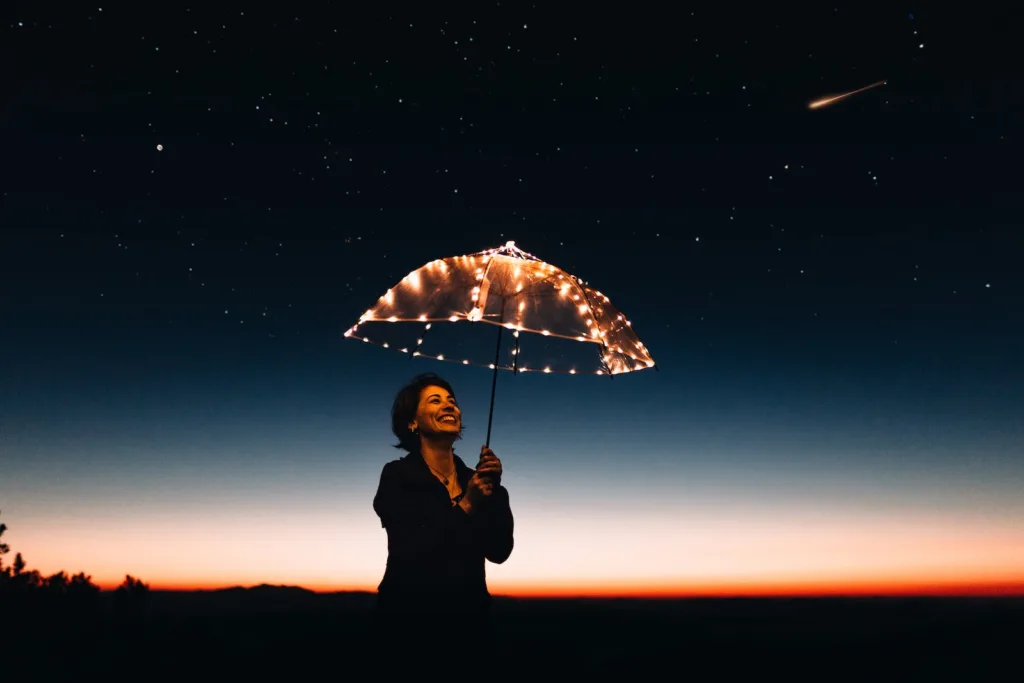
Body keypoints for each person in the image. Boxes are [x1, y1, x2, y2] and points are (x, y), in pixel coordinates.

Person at [371, 372, 515, 642]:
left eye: (451, 400)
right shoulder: (397, 476)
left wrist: (494, 493)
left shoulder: (475, 481)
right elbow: (413, 549)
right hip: (406, 629)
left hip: (470, 628)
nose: (449, 406)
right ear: (412, 422)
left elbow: (499, 551)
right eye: (435, 401)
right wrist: (468, 504)